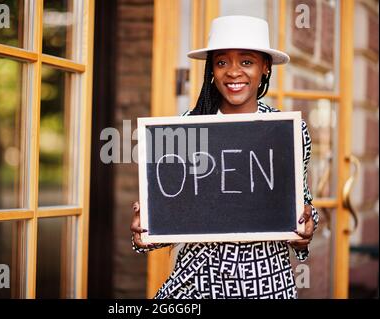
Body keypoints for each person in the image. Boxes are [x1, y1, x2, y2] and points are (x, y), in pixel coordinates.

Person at [130, 15, 319, 299]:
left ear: (265, 68)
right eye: (221, 62)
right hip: (197, 283)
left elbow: (301, 204)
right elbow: (167, 212)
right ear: (211, 70)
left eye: (246, 61)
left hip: (264, 284)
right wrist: (143, 233)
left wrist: (305, 230)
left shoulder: (286, 130)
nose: (233, 72)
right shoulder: (185, 128)